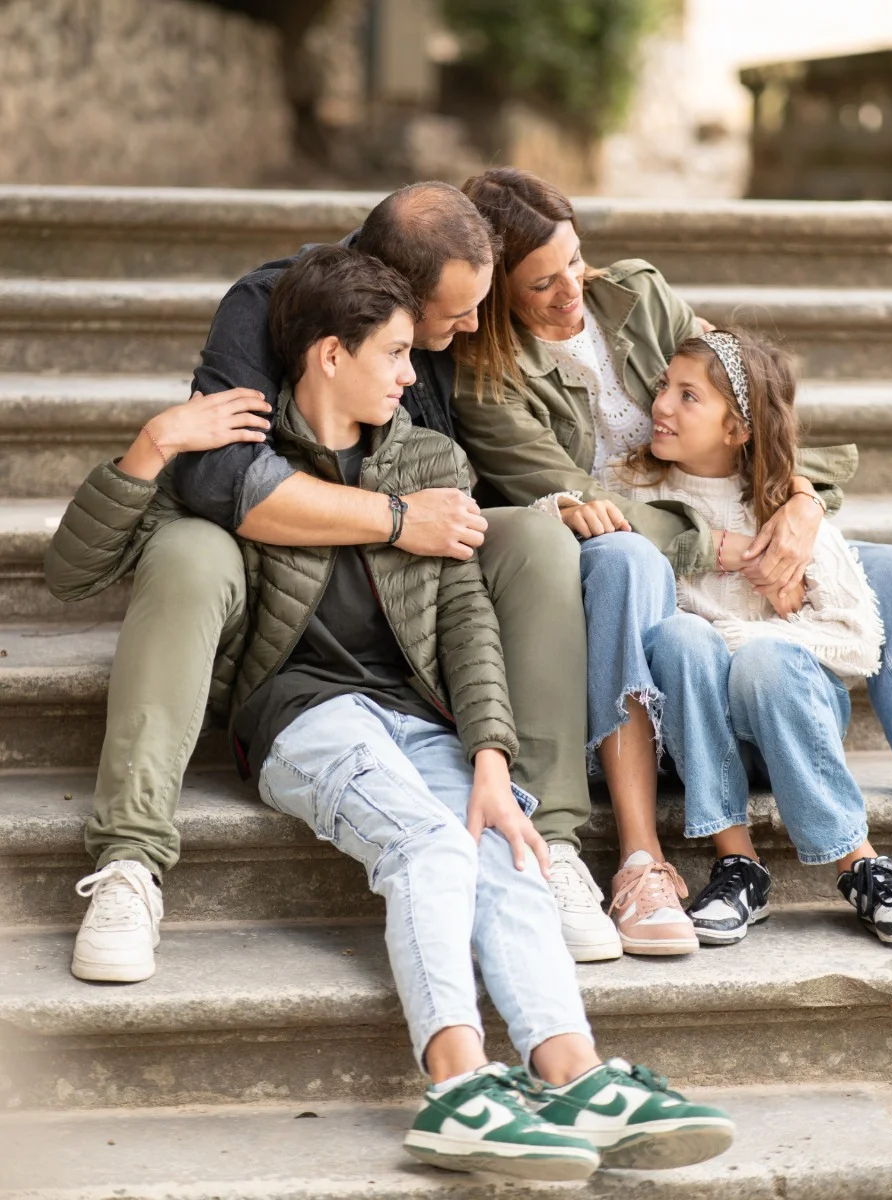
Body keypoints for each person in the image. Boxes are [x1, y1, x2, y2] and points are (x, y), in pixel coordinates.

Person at [201, 245, 739, 1178]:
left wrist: (492, 753)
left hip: (415, 710)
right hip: (300, 710)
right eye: (400, 355)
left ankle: (572, 1071)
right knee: (431, 845)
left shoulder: (427, 453)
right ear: (333, 354)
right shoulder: (246, 451)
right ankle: (456, 1086)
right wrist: (152, 450)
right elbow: (94, 555)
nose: (417, 377)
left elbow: (464, 616)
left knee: (511, 839)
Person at [44, 182, 627, 978]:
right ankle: (128, 865)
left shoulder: (442, 354)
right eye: (447, 319)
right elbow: (220, 485)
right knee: (188, 550)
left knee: (538, 540)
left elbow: (461, 560)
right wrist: (393, 517)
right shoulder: (272, 311)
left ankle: (551, 839)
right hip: (288, 621)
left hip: (414, 598)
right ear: (376, 316)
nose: (468, 332)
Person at [451, 167, 892, 945]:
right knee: (635, 565)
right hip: (630, 561)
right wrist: (718, 547)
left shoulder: (635, 297)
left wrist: (799, 501)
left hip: (730, 517)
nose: (571, 293)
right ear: (494, 293)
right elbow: (588, 505)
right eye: (541, 284)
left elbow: (747, 395)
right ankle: (651, 854)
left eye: (575, 262)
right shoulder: (488, 385)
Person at [587, 328, 892, 944]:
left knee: (766, 657)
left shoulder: (784, 508)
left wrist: (751, 637)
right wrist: (733, 634)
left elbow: (858, 639)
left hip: (786, 717)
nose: (661, 405)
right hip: (691, 733)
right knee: (679, 640)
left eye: (688, 396)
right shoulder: (629, 491)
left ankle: (860, 865)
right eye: (664, 386)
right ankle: (737, 865)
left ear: (738, 430)